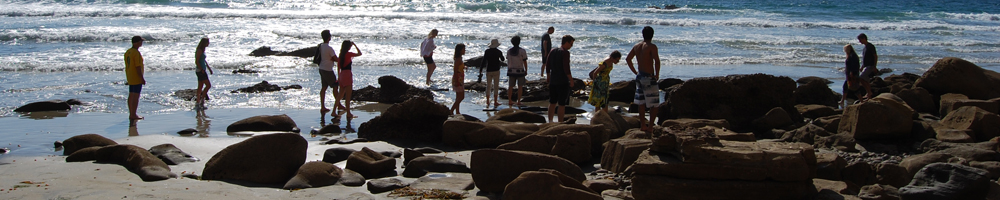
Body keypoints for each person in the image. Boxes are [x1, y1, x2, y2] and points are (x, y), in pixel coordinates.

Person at [625, 26, 661, 132]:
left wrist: (635, 71)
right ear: (652, 35)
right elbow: (657, 61)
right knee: (654, 103)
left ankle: (643, 126)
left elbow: (628, 59)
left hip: (640, 75)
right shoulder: (652, 46)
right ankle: (650, 127)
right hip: (649, 76)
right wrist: (657, 74)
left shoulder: (637, 46)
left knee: (641, 102)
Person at [545, 35, 576, 123]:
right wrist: (571, 79)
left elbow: (547, 64)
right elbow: (566, 68)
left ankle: (550, 121)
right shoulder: (565, 53)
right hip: (562, 80)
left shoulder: (553, 50)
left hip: (553, 79)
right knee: (562, 104)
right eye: (571, 44)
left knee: (552, 102)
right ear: (566, 42)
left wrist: (548, 75)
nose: (571, 46)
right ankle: (560, 122)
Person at [317, 30, 343, 116]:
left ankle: (323, 106)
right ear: (329, 37)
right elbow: (336, 59)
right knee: (335, 87)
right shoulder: (329, 48)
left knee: (324, 88)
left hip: (322, 68)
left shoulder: (321, 46)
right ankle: (338, 105)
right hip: (328, 70)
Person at [337, 40, 362, 120]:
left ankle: (334, 110)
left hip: (341, 75)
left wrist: (339, 77)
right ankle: (348, 113)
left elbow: (338, 68)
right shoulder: (348, 54)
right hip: (347, 74)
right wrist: (355, 45)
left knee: (340, 95)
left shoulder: (341, 55)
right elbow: (359, 53)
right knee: (348, 96)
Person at [124, 35, 146, 124]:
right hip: (136, 77)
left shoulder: (128, 52)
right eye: (141, 41)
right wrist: (142, 78)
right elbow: (138, 67)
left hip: (130, 75)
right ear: (137, 42)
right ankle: (134, 114)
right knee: (136, 96)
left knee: (131, 95)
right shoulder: (136, 53)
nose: (142, 43)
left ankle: (131, 113)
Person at [481, 39, 505, 109]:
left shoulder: (487, 51)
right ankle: (495, 101)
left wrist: (481, 69)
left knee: (488, 85)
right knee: (496, 86)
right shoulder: (498, 52)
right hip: (496, 70)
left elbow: (484, 60)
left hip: (489, 70)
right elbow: (503, 59)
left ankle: (488, 101)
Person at [506, 36, 528, 107]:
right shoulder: (522, 51)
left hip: (511, 70)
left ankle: (510, 100)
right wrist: (526, 70)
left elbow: (508, 59)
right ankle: (518, 101)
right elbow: (525, 61)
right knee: (520, 86)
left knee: (510, 86)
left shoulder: (509, 51)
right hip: (520, 70)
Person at [194, 38, 214, 108]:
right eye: (207, 42)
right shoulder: (199, 50)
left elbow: (204, 60)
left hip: (202, 70)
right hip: (200, 70)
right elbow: (197, 61)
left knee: (200, 86)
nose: (208, 44)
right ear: (204, 43)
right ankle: (202, 100)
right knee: (208, 85)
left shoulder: (203, 50)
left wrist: (209, 68)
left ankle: (198, 102)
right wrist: (201, 69)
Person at [451, 43, 467, 115]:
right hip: (458, 78)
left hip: (460, 78)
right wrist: (457, 80)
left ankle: (457, 111)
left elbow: (459, 67)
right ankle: (451, 110)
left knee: (458, 96)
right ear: (460, 50)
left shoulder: (459, 58)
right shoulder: (458, 59)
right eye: (464, 49)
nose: (465, 51)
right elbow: (455, 70)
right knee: (461, 96)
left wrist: (464, 67)